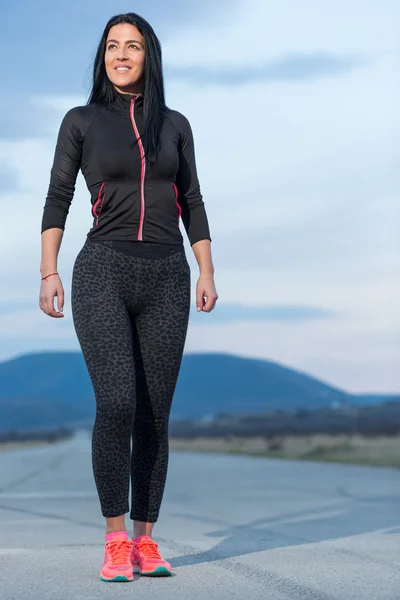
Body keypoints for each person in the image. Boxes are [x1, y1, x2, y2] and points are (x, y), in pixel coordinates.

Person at [39, 12, 218, 583]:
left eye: (132, 46)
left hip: (168, 275)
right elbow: (57, 196)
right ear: (103, 57)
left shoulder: (176, 124)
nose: (121, 54)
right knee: (116, 403)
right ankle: (115, 540)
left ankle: (145, 540)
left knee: (154, 414)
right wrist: (49, 272)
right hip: (102, 272)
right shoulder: (82, 121)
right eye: (113, 46)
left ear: (148, 56)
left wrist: (204, 269)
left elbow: (192, 198)